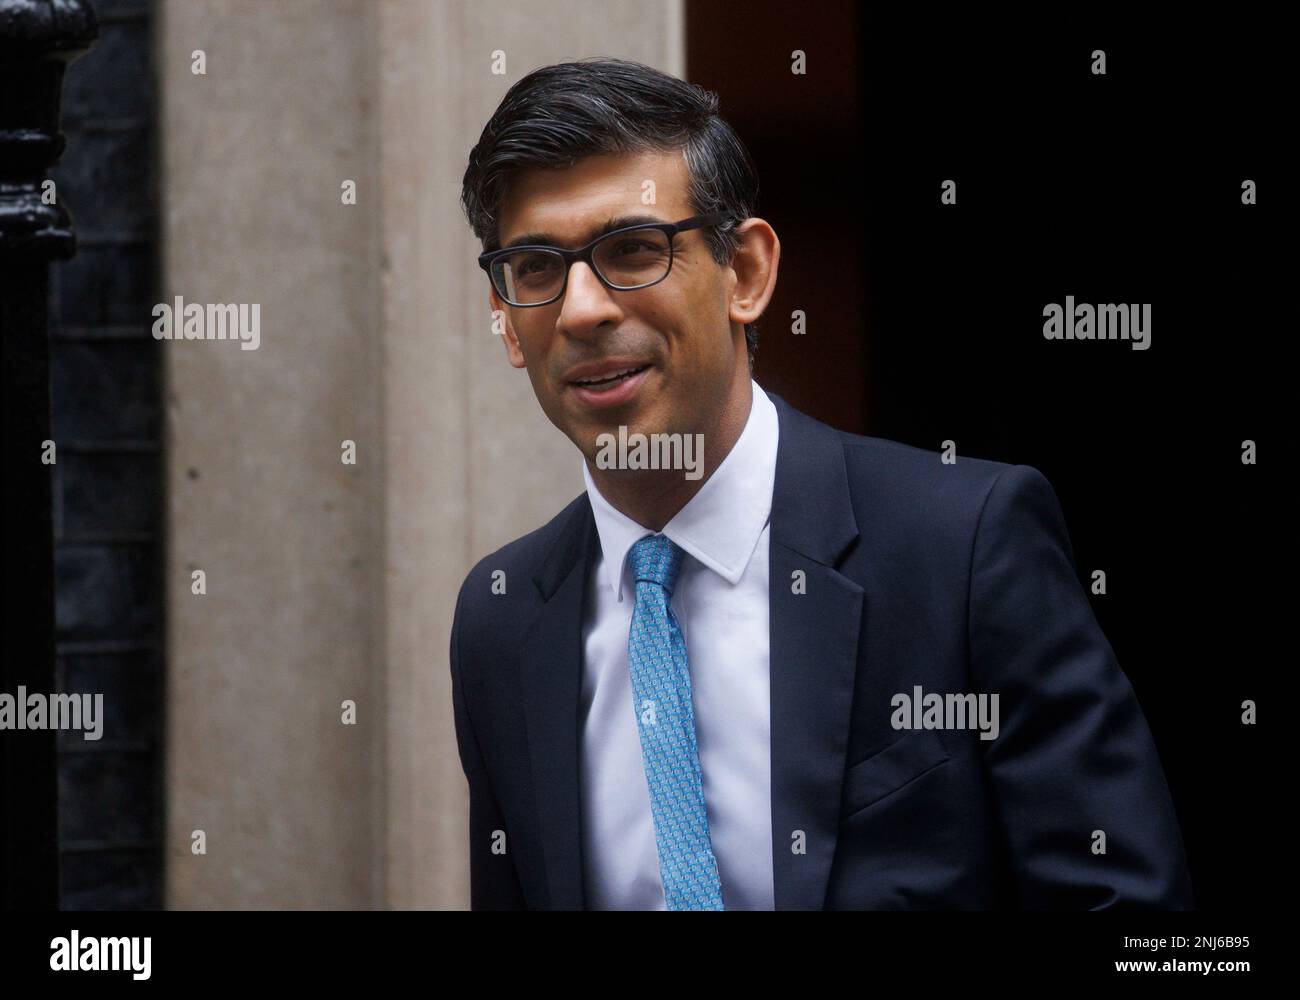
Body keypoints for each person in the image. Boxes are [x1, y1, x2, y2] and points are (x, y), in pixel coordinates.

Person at [449, 57, 1193, 910]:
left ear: (748, 273)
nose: (582, 309)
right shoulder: (503, 617)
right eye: (538, 268)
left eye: (632, 250)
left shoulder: (963, 546)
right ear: (506, 320)